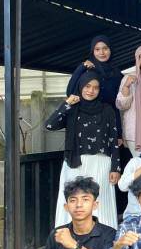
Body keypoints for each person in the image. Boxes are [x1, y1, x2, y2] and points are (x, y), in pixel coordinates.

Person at [47, 70, 120, 229]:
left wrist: (116, 168)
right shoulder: (72, 108)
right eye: (87, 86)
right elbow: (50, 125)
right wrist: (66, 104)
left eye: (95, 87)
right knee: (74, 199)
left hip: (101, 163)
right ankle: (68, 237)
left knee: (100, 202)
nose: (91, 91)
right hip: (75, 162)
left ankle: (103, 238)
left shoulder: (107, 109)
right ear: (80, 87)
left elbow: (113, 140)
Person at [65, 35, 123, 144]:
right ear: (92, 51)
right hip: (84, 122)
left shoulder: (116, 74)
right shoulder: (87, 69)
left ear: (110, 50)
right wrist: (81, 68)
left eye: (105, 48)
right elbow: (70, 92)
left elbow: (115, 106)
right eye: (97, 49)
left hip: (107, 122)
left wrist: (119, 133)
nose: (102, 52)